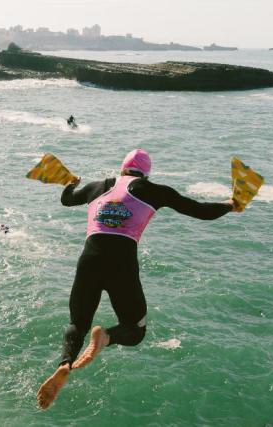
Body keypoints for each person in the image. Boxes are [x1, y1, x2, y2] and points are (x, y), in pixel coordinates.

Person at [37, 148, 239, 409]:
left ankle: (65, 364)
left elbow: (67, 200)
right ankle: (107, 337)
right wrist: (231, 205)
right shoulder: (155, 191)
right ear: (145, 174)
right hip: (122, 263)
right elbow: (201, 211)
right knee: (135, 329)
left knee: (78, 323)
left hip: (89, 259)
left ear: (122, 169)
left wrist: (70, 183)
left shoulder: (97, 187)